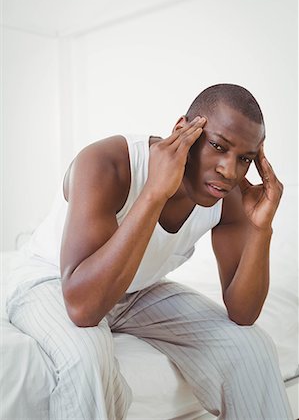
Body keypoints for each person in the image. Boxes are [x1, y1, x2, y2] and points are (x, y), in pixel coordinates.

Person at [6, 83, 293, 419]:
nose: (229, 171)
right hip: (52, 281)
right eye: (218, 146)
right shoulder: (108, 163)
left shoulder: (227, 196)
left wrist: (261, 228)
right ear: (183, 129)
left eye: (244, 159)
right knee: (86, 358)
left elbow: (243, 314)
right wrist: (154, 193)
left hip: (135, 291)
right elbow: (83, 308)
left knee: (252, 348)